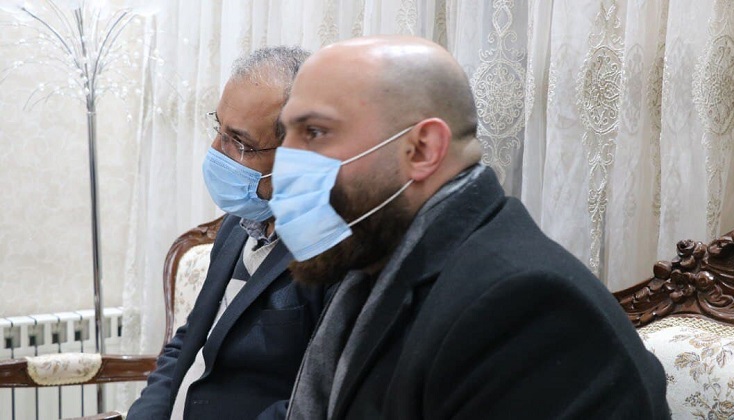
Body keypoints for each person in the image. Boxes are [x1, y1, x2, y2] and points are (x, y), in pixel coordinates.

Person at [268, 36, 670, 419]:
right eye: (286, 135)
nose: (284, 163)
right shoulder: (376, 260)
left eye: (315, 132)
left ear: (422, 149)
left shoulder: (523, 306)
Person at [127, 46, 328, 420]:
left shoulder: (332, 248)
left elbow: (321, 398)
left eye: (240, 142)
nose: (216, 151)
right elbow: (188, 340)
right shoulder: (238, 224)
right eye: (218, 128)